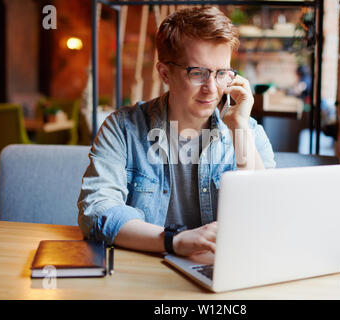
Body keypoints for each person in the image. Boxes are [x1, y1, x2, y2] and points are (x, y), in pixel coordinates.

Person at [77, 6, 276, 257]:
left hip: (217, 274)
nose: (212, 88)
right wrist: (175, 240)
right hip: (143, 272)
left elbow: (267, 217)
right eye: (198, 73)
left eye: (221, 73)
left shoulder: (248, 130)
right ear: (164, 73)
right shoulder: (123, 129)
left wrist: (240, 130)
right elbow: (97, 213)